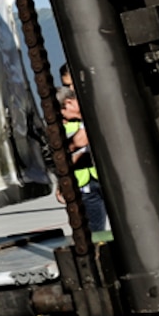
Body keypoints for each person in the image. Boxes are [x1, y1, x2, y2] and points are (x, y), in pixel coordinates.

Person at [59, 89, 110, 235]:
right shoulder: (67, 126)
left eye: (62, 113)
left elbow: (81, 142)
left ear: (68, 104)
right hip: (84, 183)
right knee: (96, 229)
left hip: (103, 177)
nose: (62, 117)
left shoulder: (92, 112)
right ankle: (102, 251)